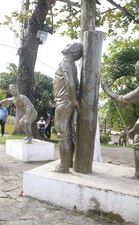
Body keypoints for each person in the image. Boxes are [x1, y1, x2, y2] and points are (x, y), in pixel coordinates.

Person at [53, 43, 82, 173]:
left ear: (73, 51)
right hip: (68, 101)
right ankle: (68, 162)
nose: (67, 45)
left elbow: (70, 84)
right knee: (68, 133)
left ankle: (63, 166)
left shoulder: (66, 64)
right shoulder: (72, 66)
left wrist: (74, 101)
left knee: (62, 134)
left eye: (70, 45)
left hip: (64, 102)